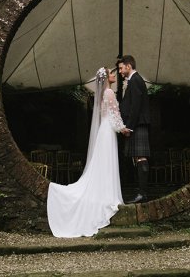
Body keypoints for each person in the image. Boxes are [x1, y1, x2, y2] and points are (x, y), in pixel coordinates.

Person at [47, 67, 129, 238]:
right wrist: (123, 129)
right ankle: (108, 197)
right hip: (108, 132)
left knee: (102, 165)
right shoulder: (109, 93)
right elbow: (115, 115)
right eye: (111, 73)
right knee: (106, 164)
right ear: (106, 77)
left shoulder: (101, 95)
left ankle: (104, 194)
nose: (114, 74)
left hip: (103, 132)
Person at [117, 55, 151, 204]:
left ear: (128, 66)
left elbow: (136, 106)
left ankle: (143, 193)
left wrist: (129, 127)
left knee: (141, 157)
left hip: (137, 125)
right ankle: (141, 192)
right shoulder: (133, 80)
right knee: (138, 158)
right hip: (135, 124)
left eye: (120, 68)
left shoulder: (136, 80)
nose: (119, 71)